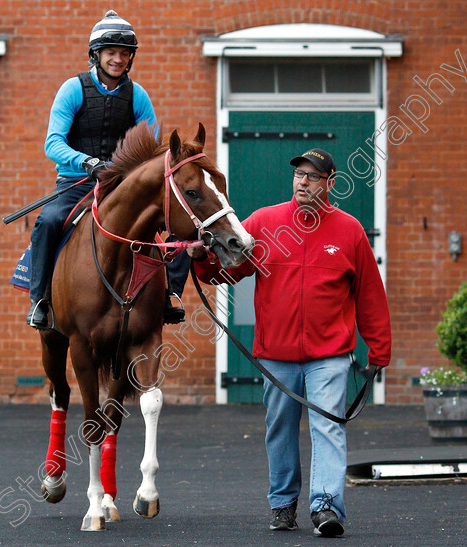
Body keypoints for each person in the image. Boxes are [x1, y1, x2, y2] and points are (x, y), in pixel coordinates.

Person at [190, 148, 391, 537]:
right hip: (277, 355)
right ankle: (283, 504)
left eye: (313, 176)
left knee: (327, 427)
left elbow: (370, 295)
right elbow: (228, 271)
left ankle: (326, 506)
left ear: (330, 184)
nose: (302, 181)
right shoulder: (265, 222)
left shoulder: (349, 231)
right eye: (299, 174)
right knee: (279, 429)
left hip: (330, 356)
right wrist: (202, 259)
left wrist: (379, 350)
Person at [26, 9, 191, 329]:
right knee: (47, 221)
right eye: (112, 52)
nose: (119, 59)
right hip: (76, 183)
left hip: (122, 186)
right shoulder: (72, 89)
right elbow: (52, 143)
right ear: (96, 55)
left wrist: (129, 171)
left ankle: (169, 295)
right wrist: (86, 162)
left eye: (125, 54)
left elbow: (153, 145)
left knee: (179, 227)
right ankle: (41, 299)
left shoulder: (138, 96)